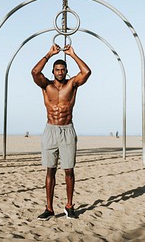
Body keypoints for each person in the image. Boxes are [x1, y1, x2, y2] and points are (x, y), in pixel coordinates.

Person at [31, 43, 91, 220]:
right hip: (50, 130)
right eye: (57, 69)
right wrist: (49, 53)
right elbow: (34, 72)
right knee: (50, 170)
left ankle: (69, 206)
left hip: (67, 130)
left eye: (62, 69)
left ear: (66, 71)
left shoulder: (72, 84)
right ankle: (49, 208)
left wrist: (73, 54)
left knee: (69, 170)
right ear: (53, 71)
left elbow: (86, 72)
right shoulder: (46, 86)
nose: (59, 72)